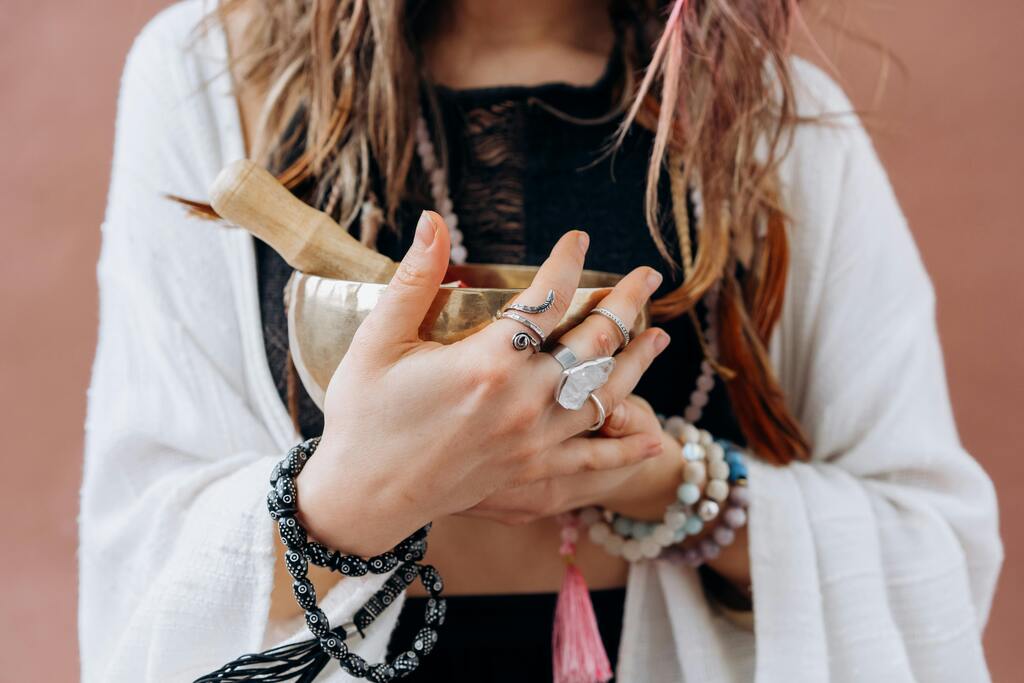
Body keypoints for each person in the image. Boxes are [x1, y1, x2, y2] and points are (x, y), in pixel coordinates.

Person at [79, 0, 1002, 681]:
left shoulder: (766, 106)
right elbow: (143, 551)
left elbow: (931, 545)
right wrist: (370, 491)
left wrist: (664, 481)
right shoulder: (213, 70)